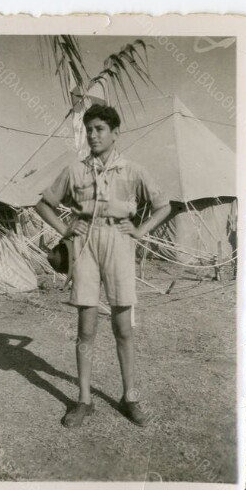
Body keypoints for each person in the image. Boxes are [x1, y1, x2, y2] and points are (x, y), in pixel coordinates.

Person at [35, 104, 171, 428]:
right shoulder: (75, 170)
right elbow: (42, 204)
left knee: (123, 328)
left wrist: (138, 231)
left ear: (115, 133)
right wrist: (66, 229)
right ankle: (84, 400)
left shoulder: (133, 170)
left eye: (99, 129)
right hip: (85, 245)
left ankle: (130, 397)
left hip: (119, 242)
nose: (93, 135)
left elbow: (163, 206)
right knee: (86, 328)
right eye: (89, 130)